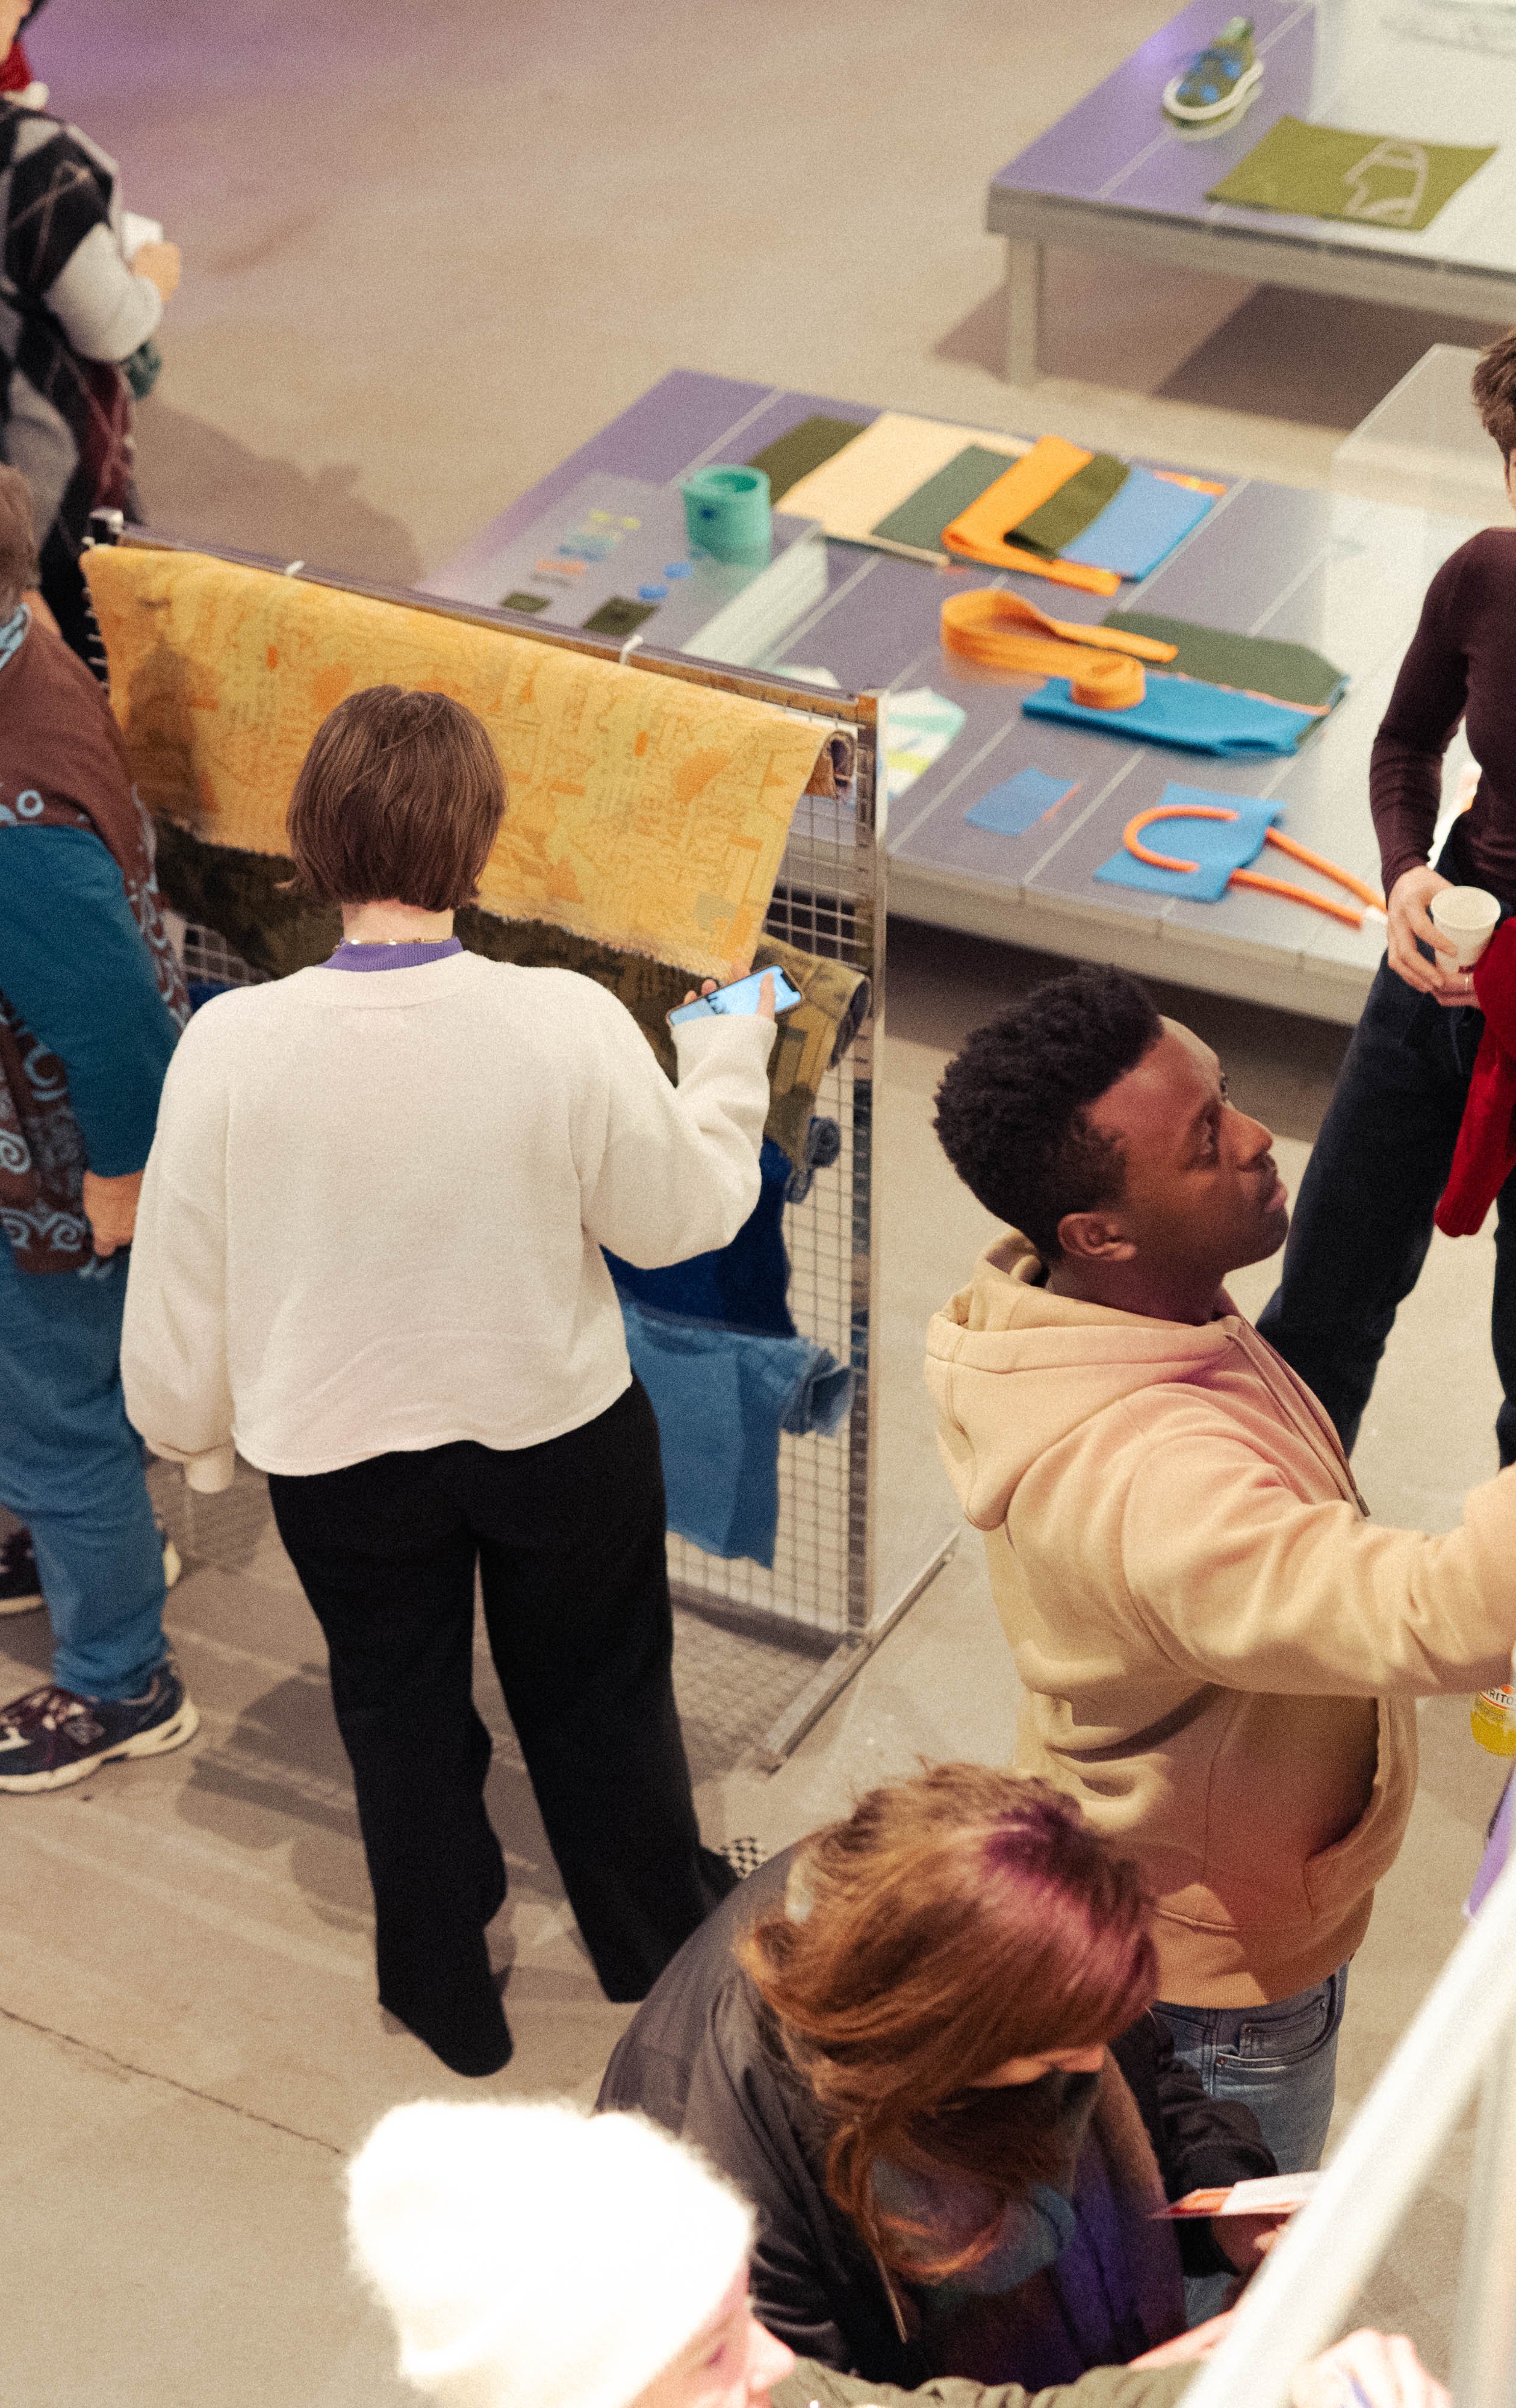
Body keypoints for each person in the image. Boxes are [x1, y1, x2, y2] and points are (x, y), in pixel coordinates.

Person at [122, 684, 778, 2082]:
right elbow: (680, 1216)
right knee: (602, 1689)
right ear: (481, 842)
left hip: (339, 1448)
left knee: (397, 1709)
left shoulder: (233, 1044)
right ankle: (646, 1928)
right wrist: (733, 1048)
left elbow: (185, 1268)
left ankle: (442, 1977)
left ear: (310, 840)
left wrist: (191, 1432)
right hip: (558, 1423)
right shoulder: (566, 1020)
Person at [926, 967, 1516, 2175]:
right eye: (1209, 1140)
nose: (1264, 1139)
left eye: (1230, 1095)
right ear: (1098, 1231)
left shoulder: (1109, 1304)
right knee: (1219, 2274)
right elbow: (1430, 1615)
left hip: (1180, 1858)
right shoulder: (1150, 1480)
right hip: (1216, 1980)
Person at [600, 1765, 1279, 2382]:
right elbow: (804, 2393)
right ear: (948, 2042)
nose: (1094, 2064)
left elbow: (1151, 2073)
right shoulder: (721, 2170)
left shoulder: (1028, 1914)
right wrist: (1117, 2402)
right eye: (1052, 2055)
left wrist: (1225, 2198)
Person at [1258, 299, 1516, 1467]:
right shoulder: (1481, 578)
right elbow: (1405, 744)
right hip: (1442, 960)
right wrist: (1405, 873)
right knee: (1318, 1300)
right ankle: (1270, 1581)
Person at [344, 2095, 1450, 2408]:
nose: (778, 2364)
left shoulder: (787, 2397)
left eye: (746, 2320)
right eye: (711, 2356)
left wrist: (1264, 2377)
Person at [0, 462, 194, 1793]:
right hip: (48, 1156)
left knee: (59, 1414)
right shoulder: (32, 644)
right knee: (50, 1411)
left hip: (54, 1175)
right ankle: (68, 1538)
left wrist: (121, 1180)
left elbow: (119, 1023)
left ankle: (118, 1676)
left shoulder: (11, 810)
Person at [0, 0, 182, 663]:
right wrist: (151, 279)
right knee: (85, 680)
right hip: (45, 492)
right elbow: (109, 325)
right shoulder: (36, 164)